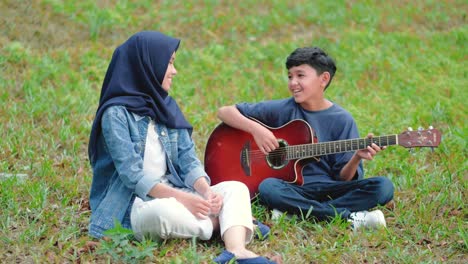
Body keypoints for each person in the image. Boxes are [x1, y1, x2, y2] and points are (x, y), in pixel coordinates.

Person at [87, 31, 277, 264]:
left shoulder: (165, 106)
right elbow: (132, 176)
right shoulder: (115, 114)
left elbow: (188, 159)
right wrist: (184, 200)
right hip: (134, 202)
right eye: (169, 63)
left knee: (236, 188)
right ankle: (228, 224)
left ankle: (237, 250)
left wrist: (205, 190)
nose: (174, 71)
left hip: (174, 190)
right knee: (162, 214)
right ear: (148, 64)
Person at [216, 47, 394, 230]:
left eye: (300, 75)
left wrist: (356, 157)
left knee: (383, 186)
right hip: (291, 188)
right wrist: (257, 130)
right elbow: (225, 112)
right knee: (268, 187)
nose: (293, 83)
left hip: (330, 189)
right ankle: (347, 217)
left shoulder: (342, 120)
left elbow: (344, 179)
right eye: (290, 76)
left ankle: (295, 213)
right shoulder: (283, 109)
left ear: (323, 79)